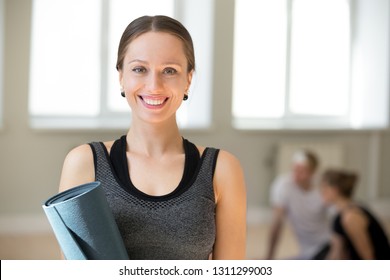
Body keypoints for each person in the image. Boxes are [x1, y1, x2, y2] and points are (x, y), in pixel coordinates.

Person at [58, 15, 246, 260]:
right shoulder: (83, 163)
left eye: (169, 70)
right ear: (121, 76)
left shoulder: (222, 168)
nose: (154, 86)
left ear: (188, 79)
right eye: (139, 69)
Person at [265, 149, 331, 259]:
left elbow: (340, 218)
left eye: (302, 171)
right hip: (307, 253)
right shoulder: (283, 185)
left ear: (313, 172)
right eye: (295, 169)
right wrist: (269, 257)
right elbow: (277, 223)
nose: (296, 175)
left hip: (327, 246)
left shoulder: (322, 187)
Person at [321, 169, 390, 259]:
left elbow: (368, 256)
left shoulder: (351, 216)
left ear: (334, 190)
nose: (321, 192)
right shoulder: (340, 216)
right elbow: (336, 252)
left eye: (323, 188)